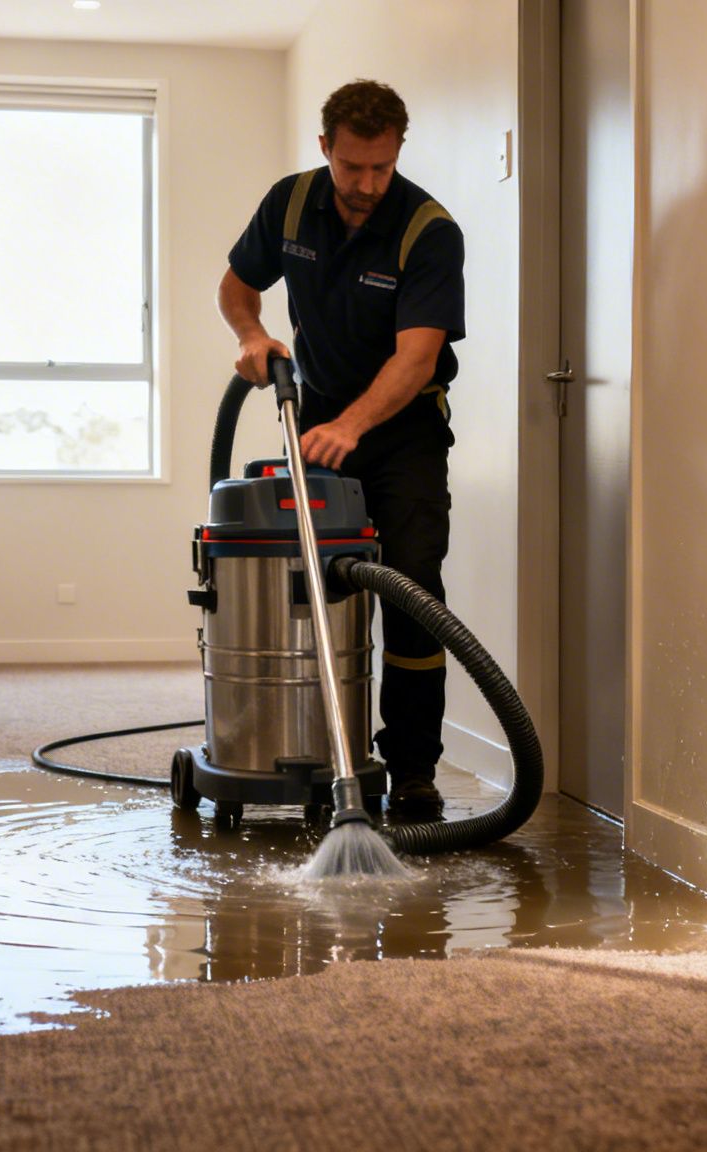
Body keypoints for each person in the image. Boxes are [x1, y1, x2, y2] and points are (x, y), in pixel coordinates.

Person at [218, 79, 464, 821]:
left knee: (413, 589)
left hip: (403, 433)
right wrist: (253, 336)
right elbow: (236, 286)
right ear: (326, 147)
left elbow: (416, 356)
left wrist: (354, 426)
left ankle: (413, 768)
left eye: (380, 169)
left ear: (397, 155)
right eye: (352, 166)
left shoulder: (428, 231)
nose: (365, 185)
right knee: (311, 589)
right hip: (315, 423)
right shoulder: (291, 204)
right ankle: (319, 746)